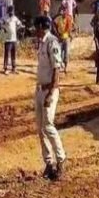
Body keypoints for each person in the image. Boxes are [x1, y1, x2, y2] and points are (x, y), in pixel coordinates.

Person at [33, 16, 66, 180]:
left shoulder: (52, 42)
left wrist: (51, 93)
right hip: (39, 89)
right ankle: (49, 163)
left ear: (41, 26)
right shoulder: (42, 43)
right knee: (40, 128)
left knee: (48, 125)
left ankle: (61, 160)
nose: (35, 30)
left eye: (36, 27)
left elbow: (57, 69)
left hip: (48, 91)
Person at [1, 6, 23, 74]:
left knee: (13, 54)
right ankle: (6, 68)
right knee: (7, 54)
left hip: (14, 39)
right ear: (8, 11)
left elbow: (20, 24)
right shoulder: (5, 17)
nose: (12, 13)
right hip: (8, 39)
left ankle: (14, 68)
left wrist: (17, 28)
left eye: (12, 11)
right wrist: (4, 28)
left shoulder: (15, 18)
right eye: (10, 11)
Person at [54, 6, 74, 73]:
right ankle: (59, 66)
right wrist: (57, 34)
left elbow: (71, 28)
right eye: (63, 11)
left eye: (65, 11)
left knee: (66, 53)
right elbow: (53, 24)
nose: (64, 13)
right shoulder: (58, 18)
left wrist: (71, 35)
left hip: (66, 37)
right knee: (59, 53)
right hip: (59, 37)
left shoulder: (69, 19)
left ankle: (65, 68)